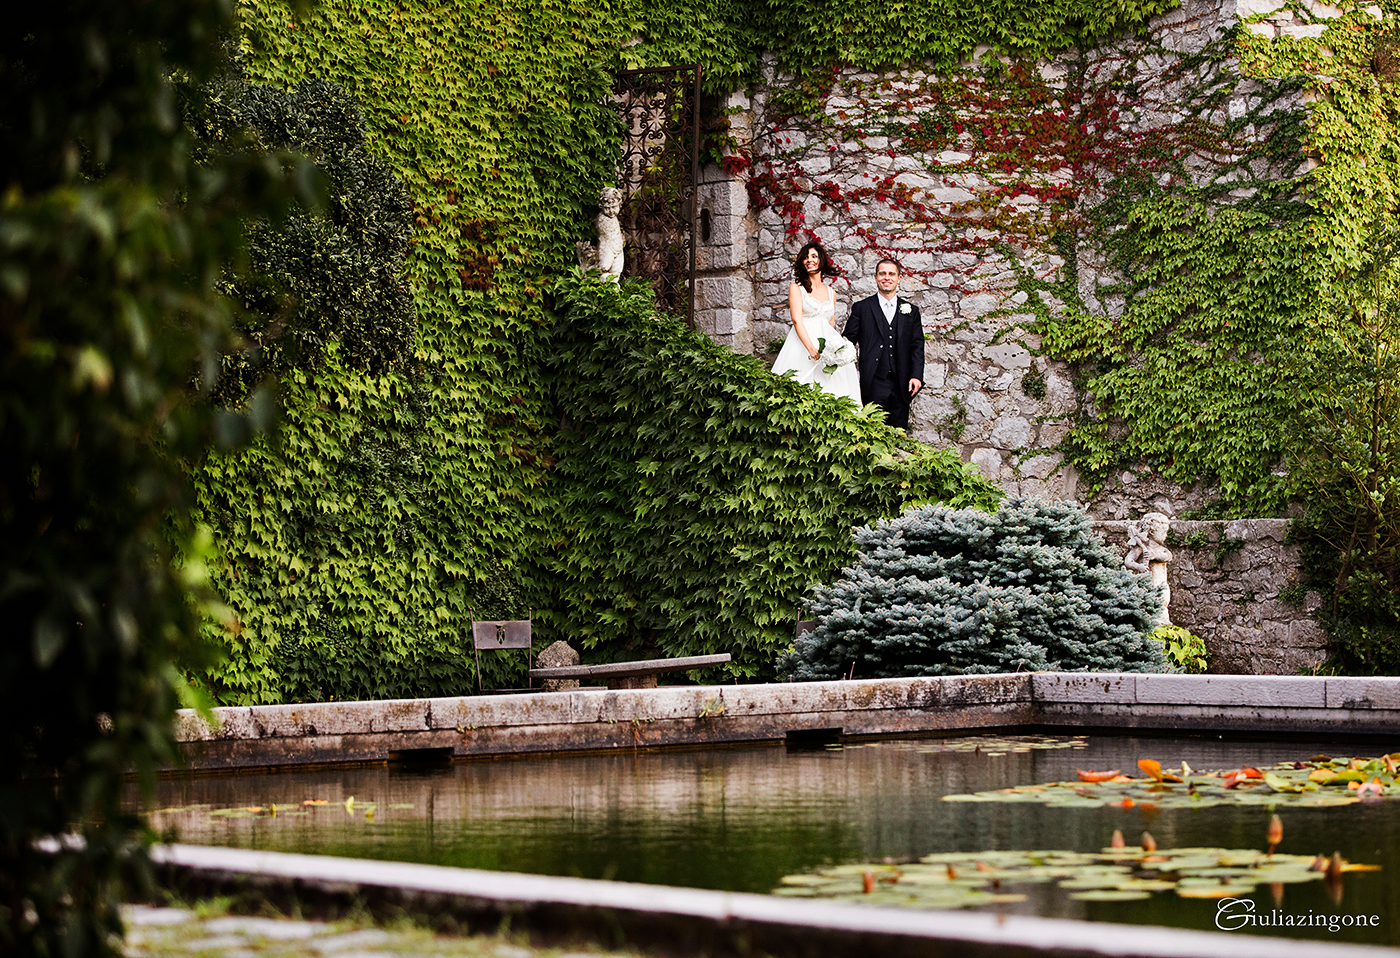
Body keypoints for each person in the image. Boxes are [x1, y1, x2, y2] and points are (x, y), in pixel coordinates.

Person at [770, 242, 861, 405]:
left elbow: (830, 325)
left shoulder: (831, 292)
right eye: (805, 257)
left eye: (813, 256)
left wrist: (833, 351)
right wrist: (811, 349)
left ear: (821, 260)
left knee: (831, 387)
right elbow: (797, 320)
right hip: (802, 344)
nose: (809, 260)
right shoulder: (796, 288)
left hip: (825, 345)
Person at [843, 257, 924, 428]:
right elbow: (847, 342)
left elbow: (917, 345)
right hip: (873, 381)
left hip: (902, 382)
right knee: (872, 432)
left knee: (899, 433)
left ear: (899, 278)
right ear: (876, 277)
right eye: (882, 274)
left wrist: (916, 375)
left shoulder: (912, 311)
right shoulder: (862, 308)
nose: (887, 277)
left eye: (891, 274)